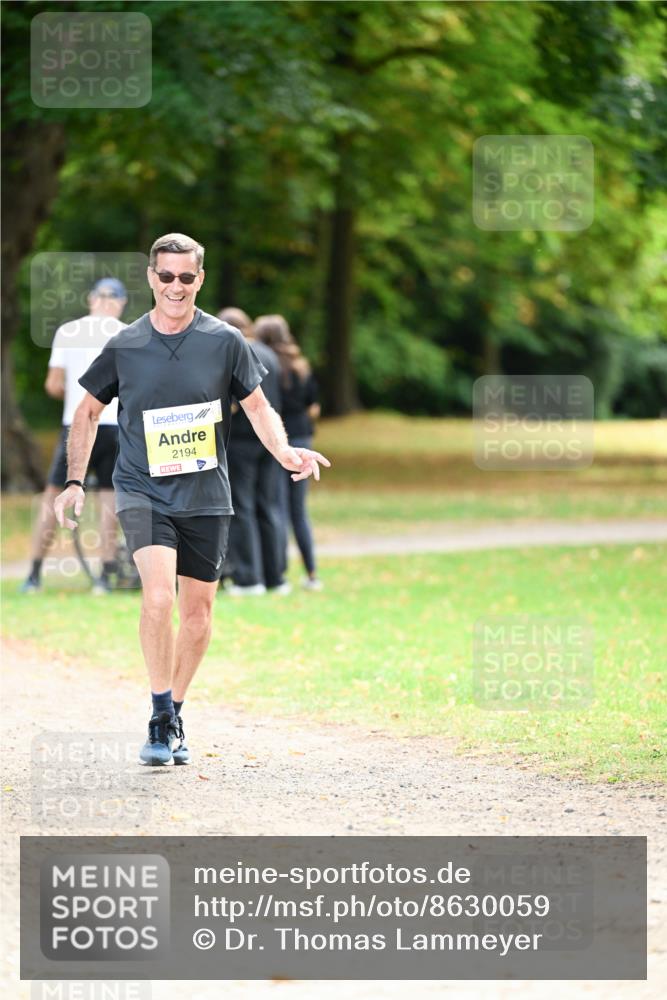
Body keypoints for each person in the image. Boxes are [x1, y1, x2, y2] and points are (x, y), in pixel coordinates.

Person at [54, 233, 330, 767]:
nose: (175, 286)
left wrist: (285, 452)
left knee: (199, 612)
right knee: (158, 598)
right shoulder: (126, 343)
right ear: (151, 278)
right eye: (166, 276)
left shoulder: (226, 341)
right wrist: (73, 481)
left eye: (186, 277)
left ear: (199, 279)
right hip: (142, 487)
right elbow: (86, 412)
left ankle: (176, 707)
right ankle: (159, 714)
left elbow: (256, 407)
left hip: (206, 493)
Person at [21, 278, 127, 595]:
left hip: (77, 424)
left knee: (55, 496)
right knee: (110, 500)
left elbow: (53, 385)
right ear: (119, 303)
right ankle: (105, 577)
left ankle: (34, 575)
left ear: (91, 299)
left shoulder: (67, 331)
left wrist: (80, 397)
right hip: (114, 426)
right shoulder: (128, 333)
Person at [218, 307, 287, 596]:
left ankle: (248, 577)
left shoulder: (235, 353)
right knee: (268, 507)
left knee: (241, 507)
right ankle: (275, 576)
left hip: (242, 441)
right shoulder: (270, 354)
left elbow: (231, 402)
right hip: (269, 442)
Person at [255, 315, 323, 591]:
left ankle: (278, 571)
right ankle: (312, 572)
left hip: (279, 440)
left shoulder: (265, 366)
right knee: (299, 510)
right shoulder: (301, 366)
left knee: (277, 507)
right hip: (304, 436)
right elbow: (314, 406)